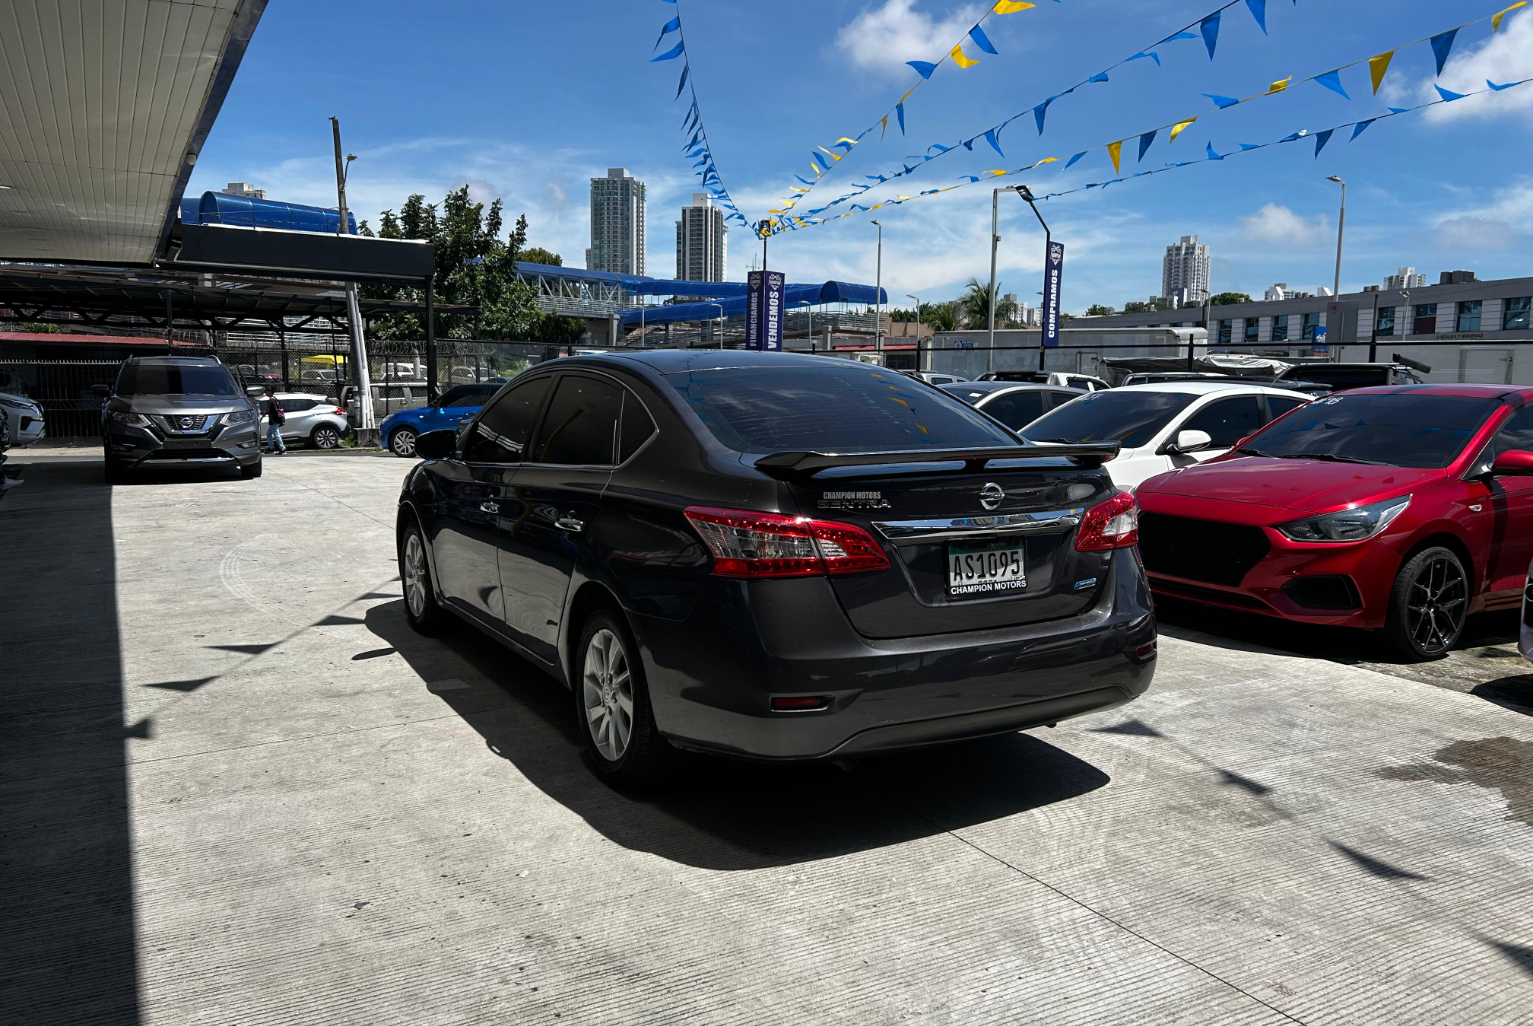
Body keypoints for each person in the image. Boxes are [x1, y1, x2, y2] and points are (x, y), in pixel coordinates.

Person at [264, 388, 286, 454]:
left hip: (273, 419)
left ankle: (282, 449)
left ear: (270, 392)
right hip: (277, 419)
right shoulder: (275, 399)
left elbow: (267, 410)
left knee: (276, 434)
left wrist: (263, 415)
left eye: (267, 391)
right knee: (269, 434)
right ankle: (271, 448)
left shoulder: (270, 401)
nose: (266, 393)